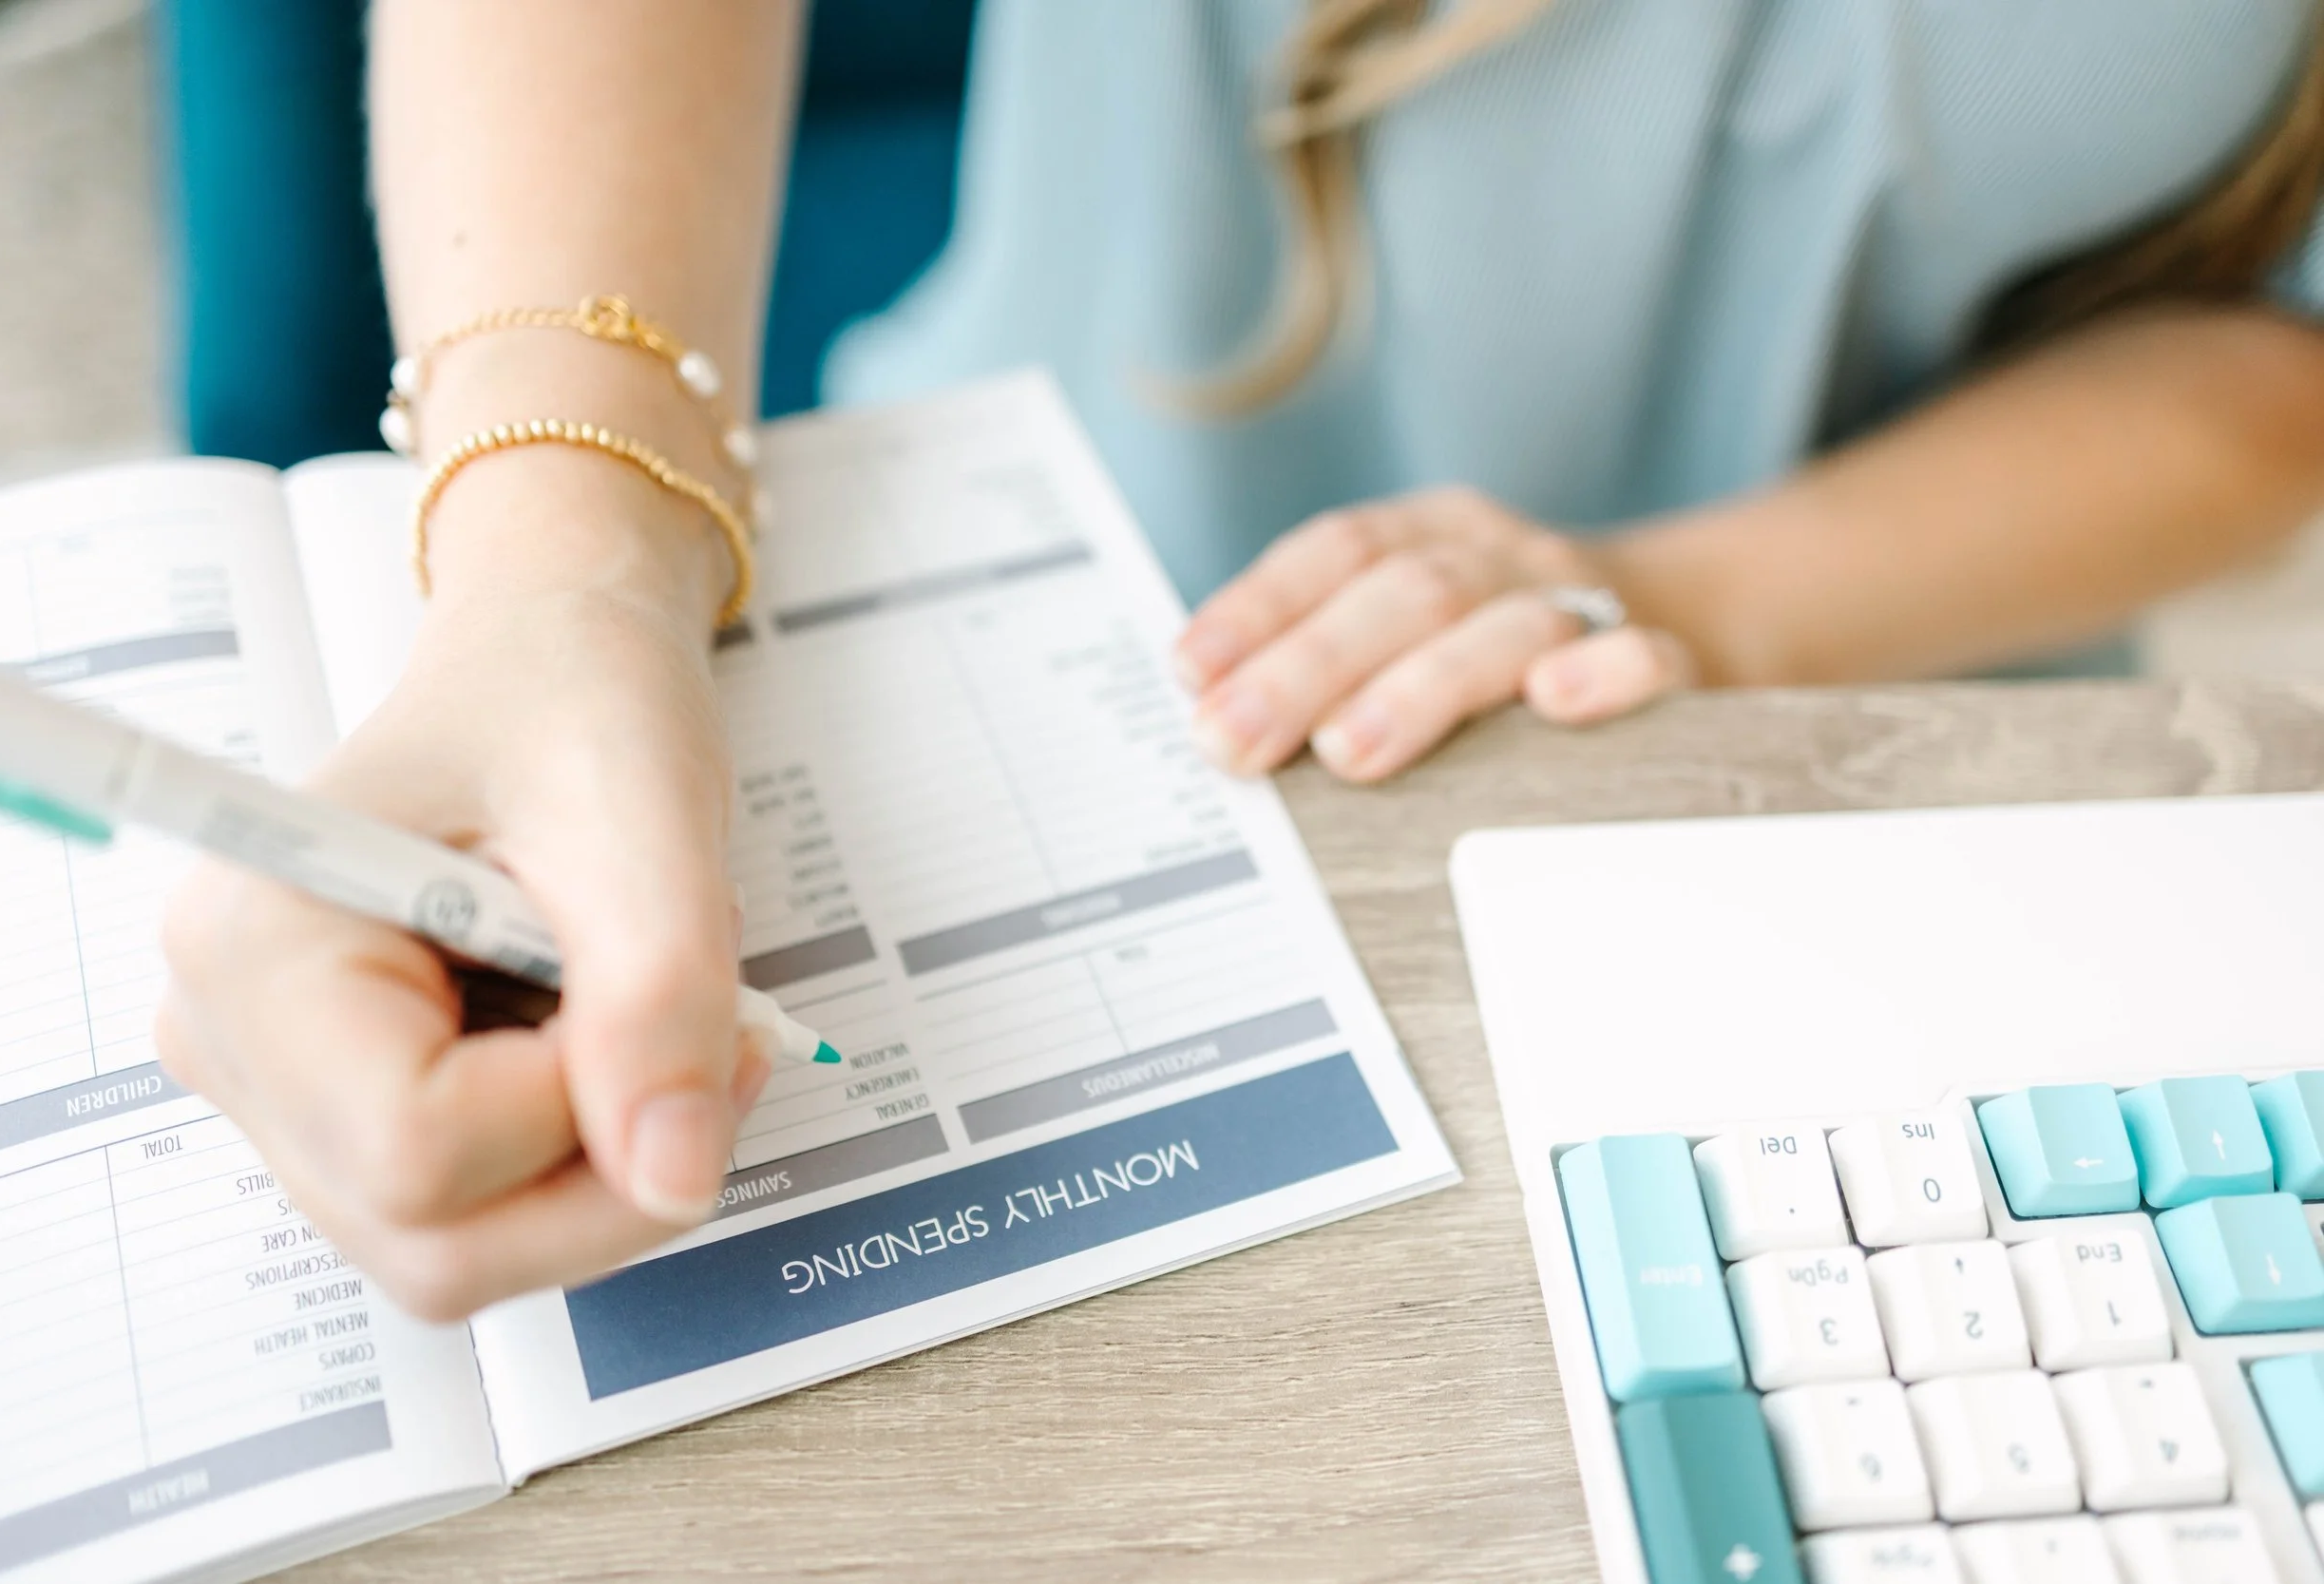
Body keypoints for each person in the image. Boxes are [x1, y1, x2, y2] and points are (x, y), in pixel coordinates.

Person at [158, 0, 2324, 1320]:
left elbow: (2274, 351)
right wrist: (563, 568)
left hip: (1912, 707)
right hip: (1067, 631)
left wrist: (1699, 597)